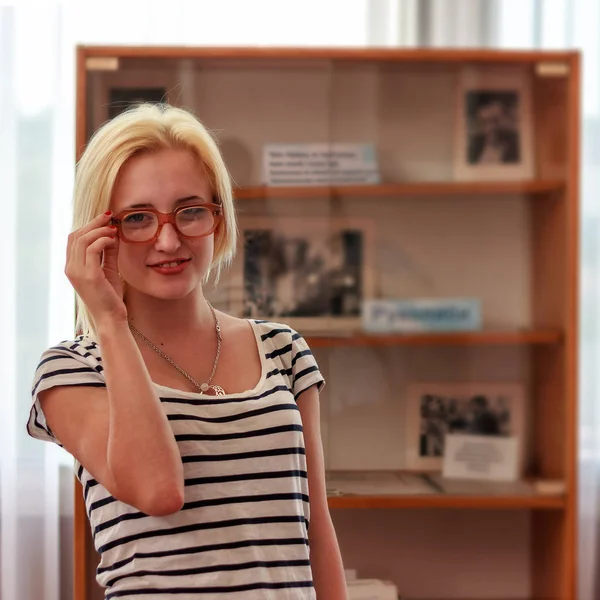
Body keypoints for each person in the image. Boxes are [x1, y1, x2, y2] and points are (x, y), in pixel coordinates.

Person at [27, 103, 349, 599]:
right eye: (138, 218)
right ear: (98, 232)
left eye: (190, 211)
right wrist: (111, 322)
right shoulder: (72, 370)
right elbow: (159, 491)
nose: (169, 239)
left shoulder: (283, 349)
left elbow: (316, 528)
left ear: (218, 218)